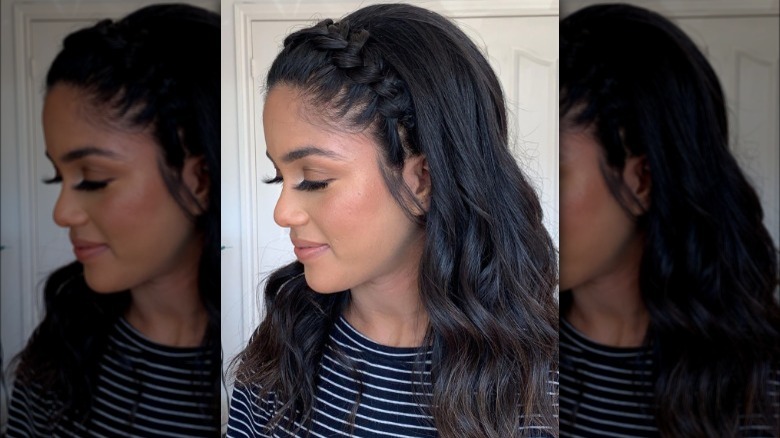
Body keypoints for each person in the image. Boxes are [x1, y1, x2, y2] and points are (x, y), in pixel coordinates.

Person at [227, 3, 558, 438]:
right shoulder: (283, 342)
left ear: (423, 179)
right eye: (279, 176)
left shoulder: (544, 388)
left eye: (314, 179)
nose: (282, 212)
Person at [559, 4, 780, 437]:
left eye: (558, 171)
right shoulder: (510, 353)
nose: (531, 202)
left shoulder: (762, 385)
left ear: (642, 179)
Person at [7, 4, 221, 437]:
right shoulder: (60, 344)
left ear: (199, 179)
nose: (61, 213)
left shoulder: (263, 371)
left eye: (93, 179)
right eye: (58, 176)